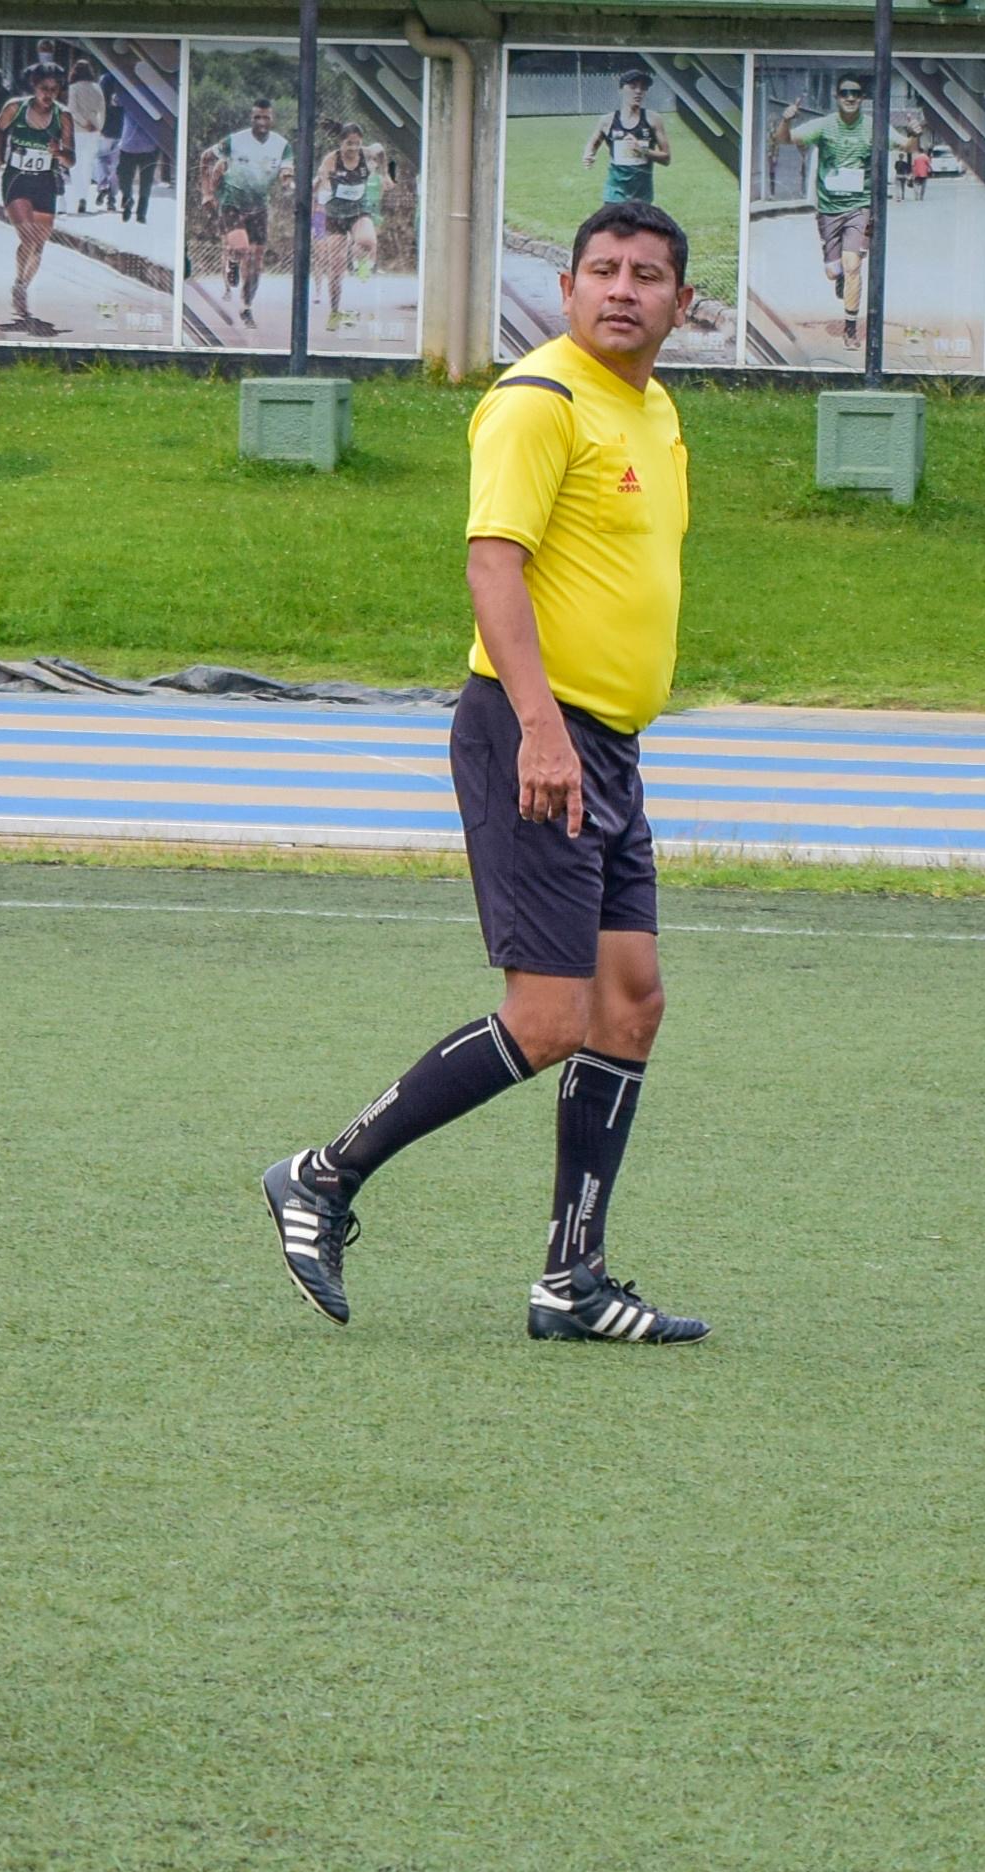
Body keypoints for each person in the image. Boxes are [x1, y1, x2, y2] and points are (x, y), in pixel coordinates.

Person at [262, 201, 707, 1350]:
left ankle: (573, 1281)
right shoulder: (538, 398)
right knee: (551, 1016)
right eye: (602, 270)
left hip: (607, 745)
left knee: (630, 1000)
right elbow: (493, 566)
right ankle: (322, 1174)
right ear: (566, 289)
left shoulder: (654, 411)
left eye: (646, 274)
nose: (622, 289)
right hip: (535, 737)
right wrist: (542, 729)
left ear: (682, 302)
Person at [774, 74, 880, 349]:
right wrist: (786, 120)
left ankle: (850, 329)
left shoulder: (872, 127)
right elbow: (784, 139)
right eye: (845, 92)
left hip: (859, 207)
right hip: (829, 209)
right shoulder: (823, 125)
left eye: (855, 93)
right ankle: (839, 276)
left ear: (862, 98)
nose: (850, 97)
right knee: (834, 271)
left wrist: (914, 135)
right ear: (836, 96)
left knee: (853, 265)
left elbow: (906, 145)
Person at [0, 63, 72, 331]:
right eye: (44, 88)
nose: (49, 94)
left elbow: (71, 159)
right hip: (17, 179)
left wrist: (59, 152)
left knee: (39, 244)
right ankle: (20, 290)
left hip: (45, 182)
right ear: (34, 87)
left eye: (54, 89)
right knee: (28, 236)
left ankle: (21, 284)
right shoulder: (15, 108)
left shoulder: (63, 116)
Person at [203, 99, 292, 329]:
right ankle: (232, 261)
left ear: (272, 119)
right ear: (251, 118)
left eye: (266, 117)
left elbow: (286, 169)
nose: (261, 122)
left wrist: (287, 182)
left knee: (256, 262)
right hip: (232, 203)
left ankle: (246, 306)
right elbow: (206, 158)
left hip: (259, 207)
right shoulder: (235, 141)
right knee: (241, 247)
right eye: (257, 117)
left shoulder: (282, 145)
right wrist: (207, 193)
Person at [316, 125, 385, 330]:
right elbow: (323, 178)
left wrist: (385, 174)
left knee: (368, 241)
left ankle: (359, 260)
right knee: (335, 269)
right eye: (348, 144)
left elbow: (381, 150)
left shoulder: (366, 153)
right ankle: (334, 312)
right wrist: (326, 185)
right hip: (335, 215)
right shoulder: (332, 159)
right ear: (341, 143)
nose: (353, 148)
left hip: (358, 210)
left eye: (357, 143)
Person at [585, 69, 670, 207]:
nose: (638, 91)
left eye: (643, 88)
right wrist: (588, 155)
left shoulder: (653, 119)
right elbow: (593, 143)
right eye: (632, 86)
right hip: (614, 194)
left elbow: (666, 158)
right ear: (621, 90)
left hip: (642, 195)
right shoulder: (607, 120)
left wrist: (642, 150)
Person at [115, 78, 164, 226]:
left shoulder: (128, 92)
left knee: (125, 177)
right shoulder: (156, 94)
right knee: (146, 181)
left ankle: (128, 199)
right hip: (149, 145)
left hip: (129, 145)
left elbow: (115, 100)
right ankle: (141, 213)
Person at [66, 58, 108, 216]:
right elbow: (102, 109)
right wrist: (99, 127)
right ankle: (84, 196)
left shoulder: (73, 88)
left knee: (76, 165)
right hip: (94, 131)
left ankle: (80, 197)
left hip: (77, 130)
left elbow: (72, 110)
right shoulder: (97, 88)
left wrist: (84, 123)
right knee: (88, 164)